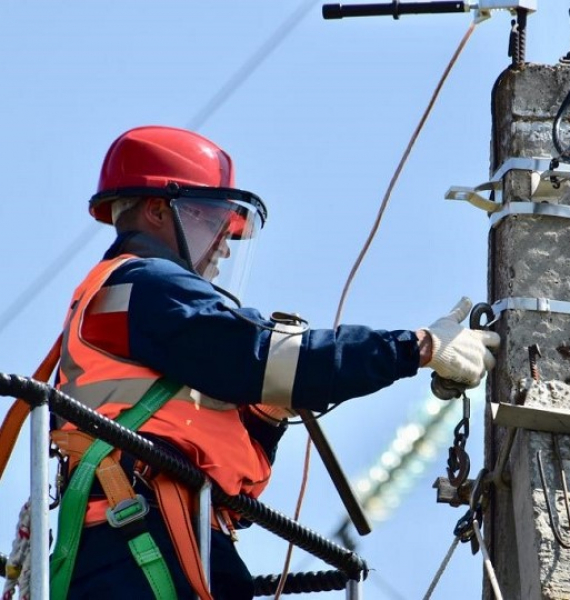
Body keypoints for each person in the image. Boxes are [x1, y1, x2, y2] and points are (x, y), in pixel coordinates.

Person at [50, 125, 500, 600]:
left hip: (163, 528)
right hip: (139, 540)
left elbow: (233, 479)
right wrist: (416, 347)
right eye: (210, 217)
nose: (225, 242)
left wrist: (266, 416)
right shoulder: (147, 283)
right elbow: (263, 357)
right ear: (158, 210)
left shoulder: (139, 308)